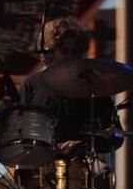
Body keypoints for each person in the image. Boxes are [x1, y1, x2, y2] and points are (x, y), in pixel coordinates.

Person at [22, 17, 123, 157]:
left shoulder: (94, 85)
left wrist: (84, 144)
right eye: (64, 51)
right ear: (50, 51)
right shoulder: (32, 83)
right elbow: (20, 131)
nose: (70, 56)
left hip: (80, 168)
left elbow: (116, 137)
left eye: (75, 52)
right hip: (40, 165)